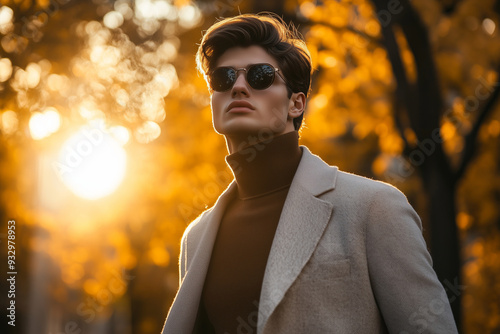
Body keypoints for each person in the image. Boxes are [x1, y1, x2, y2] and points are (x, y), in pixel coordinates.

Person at [162, 13, 458, 334]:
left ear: (296, 104)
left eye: (260, 76)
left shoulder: (374, 207)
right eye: (223, 78)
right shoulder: (196, 237)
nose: (239, 86)